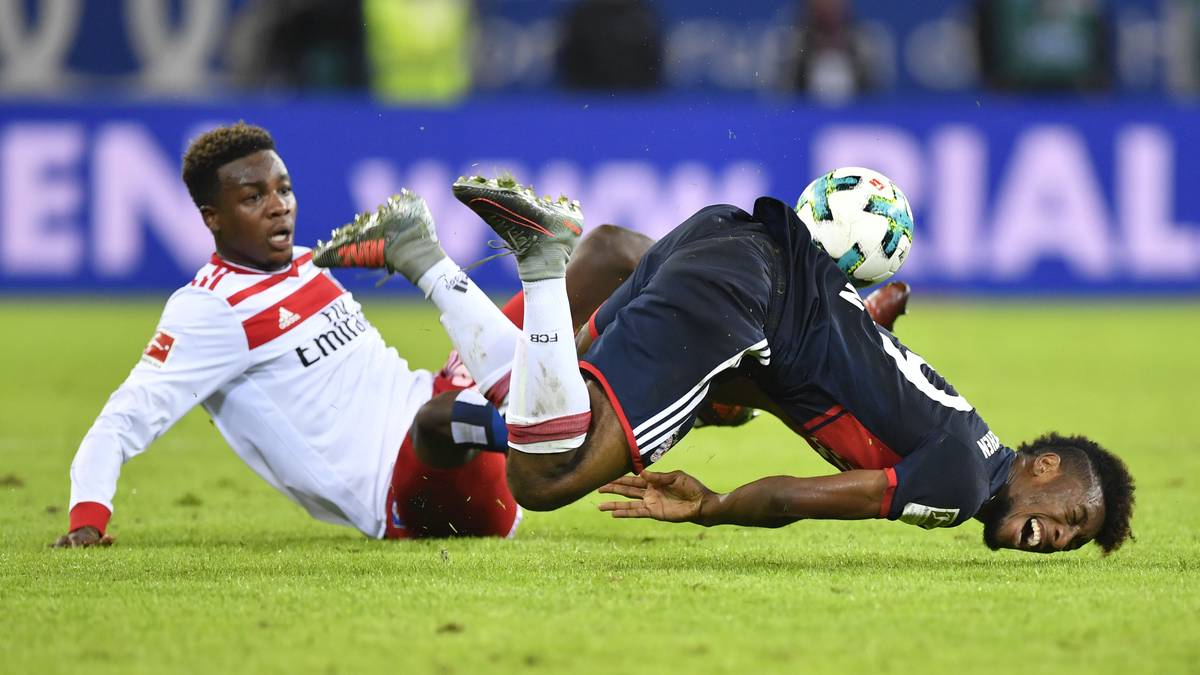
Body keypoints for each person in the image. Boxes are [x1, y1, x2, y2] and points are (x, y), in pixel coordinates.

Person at [320, 173, 1135, 555]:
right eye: (1072, 513)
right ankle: (540, 265)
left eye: (1074, 539)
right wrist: (711, 508)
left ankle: (421, 255)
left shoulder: (963, 431)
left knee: (567, 384)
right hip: (741, 307)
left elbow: (838, 372)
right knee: (545, 474)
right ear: (1044, 465)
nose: (1059, 537)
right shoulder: (961, 484)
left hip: (723, 238)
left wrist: (859, 322)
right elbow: (792, 498)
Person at [53, 123, 649, 547]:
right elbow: (124, 418)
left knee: (605, 249)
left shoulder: (306, 265)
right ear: (213, 217)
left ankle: (708, 318)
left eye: (283, 188)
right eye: (253, 197)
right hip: (412, 492)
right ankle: (571, 436)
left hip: (451, 403)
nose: (278, 206)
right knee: (439, 418)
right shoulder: (209, 310)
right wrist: (87, 519)